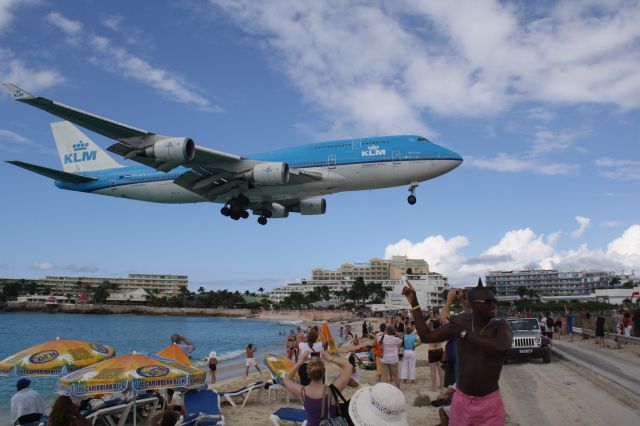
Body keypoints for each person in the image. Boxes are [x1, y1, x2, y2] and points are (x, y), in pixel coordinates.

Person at [403, 278, 513, 426]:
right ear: (473, 304)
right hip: (462, 401)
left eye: (495, 302)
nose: (493, 305)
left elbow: (501, 347)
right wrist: (415, 304)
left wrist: (464, 334)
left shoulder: (500, 326)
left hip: (489, 403)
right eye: (488, 302)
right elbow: (426, 336)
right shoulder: (461, 321)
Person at [283, 351, 352, 426]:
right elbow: (349, 367)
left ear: (307, 372)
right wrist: (330, 358)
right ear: (324, 371)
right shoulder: (332, 391)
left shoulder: (302, 392)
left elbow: (286, 379)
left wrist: (300, 362)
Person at [427, 317, 445, 390]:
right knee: (440, 370)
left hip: (432, 350)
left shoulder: (430, 332)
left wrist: (429, 320)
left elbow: (425, 325)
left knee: (433, 371)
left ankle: (434, 387)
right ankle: (441, 385)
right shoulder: (441, 332)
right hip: (439, 349)